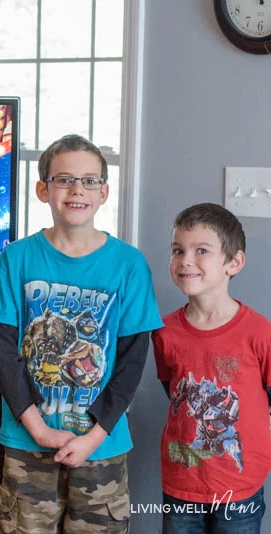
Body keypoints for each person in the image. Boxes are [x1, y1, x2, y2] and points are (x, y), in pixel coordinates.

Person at [0, 133, 163, 533]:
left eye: (90, 180)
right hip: (28, 442)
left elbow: (131, 365)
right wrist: (39, 428)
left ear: (104, 192)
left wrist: (94, 436)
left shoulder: (129, 265)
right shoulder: (16, 259)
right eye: (64, 179)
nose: (78, 190)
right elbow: (2, 354)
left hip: (102, 447)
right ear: (43, 189)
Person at [152, 203, 271, 533]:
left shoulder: (259, 332)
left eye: (201, 250)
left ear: (234, 262)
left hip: (240, 489)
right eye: (178, 250)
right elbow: (174, 392)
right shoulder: (163, 331)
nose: (185, 260)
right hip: (182, 483)